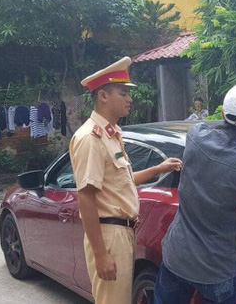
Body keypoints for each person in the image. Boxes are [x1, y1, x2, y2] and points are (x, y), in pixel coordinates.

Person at [70, 57, 182, 304]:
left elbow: (122, 181)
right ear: (103, 96)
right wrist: (100, 254)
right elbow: (86, 196)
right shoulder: (91, 138)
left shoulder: (112, 133)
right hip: (109, 235)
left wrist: (158, 168)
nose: (130, 99)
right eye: (123, 93)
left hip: (123, 233)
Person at [155, 83, 236, 304]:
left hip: (177, 254)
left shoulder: (195, 135)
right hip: (215, 267)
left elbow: (219, 156)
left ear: (222, 113)